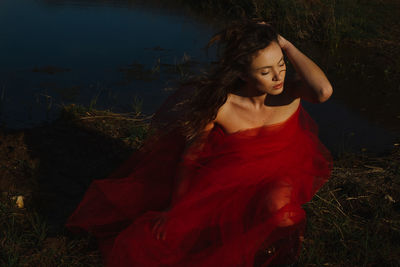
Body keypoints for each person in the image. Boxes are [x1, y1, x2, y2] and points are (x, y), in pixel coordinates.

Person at [65, 19, 333, 267]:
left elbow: (323, 91)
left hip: (280, 171)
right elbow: (190, 157)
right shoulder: (222, 106)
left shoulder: (290, 91)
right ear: (241, 73)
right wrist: (175, 210)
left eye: (282, 65)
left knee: (280, 211)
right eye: (266, 71)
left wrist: (284, 43)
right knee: (175, 242)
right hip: (229, 180)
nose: (278, 76)